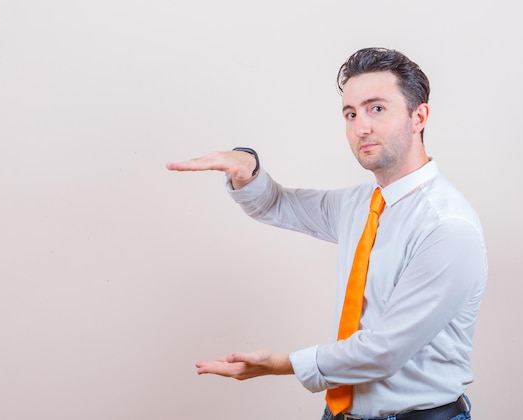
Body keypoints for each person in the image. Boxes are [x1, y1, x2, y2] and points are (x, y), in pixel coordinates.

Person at [166, 47, 487, 420]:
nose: (360, 127)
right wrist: (248, 165)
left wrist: (282, 364)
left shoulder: (446, 226)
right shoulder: (361, 205)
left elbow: (383, 351)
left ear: (419, 116)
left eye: (376, 109)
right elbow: (277, 205)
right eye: (350, 114)